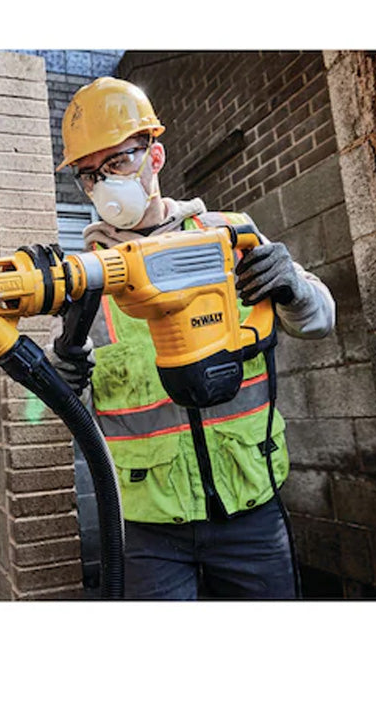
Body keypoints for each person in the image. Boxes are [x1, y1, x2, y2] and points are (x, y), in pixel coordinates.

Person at [49, 77, 335, 600]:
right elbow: (61, 404)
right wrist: (61, 376)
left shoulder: (230, 235)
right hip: (150, 526)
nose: (104, 184)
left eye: (118, 161)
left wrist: (292, 285)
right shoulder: (86, 280)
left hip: (252, 507)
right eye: (90, 174)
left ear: (154, 157)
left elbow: (319, 321)